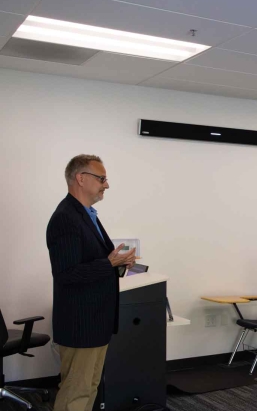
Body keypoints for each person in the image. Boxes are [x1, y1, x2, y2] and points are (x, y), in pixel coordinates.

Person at [47, 155, 136, 411]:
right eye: (101, 178)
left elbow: (93, 263)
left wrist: (118, 265)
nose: (106, 185)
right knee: (77, 391)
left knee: (90, 388)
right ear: (81, 178)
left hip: (96, 321)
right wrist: (108, 263)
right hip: (80, 323)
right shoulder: (66, 217)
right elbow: (66, 274)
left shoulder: (88, 215)